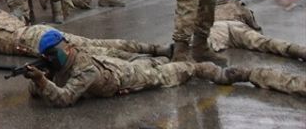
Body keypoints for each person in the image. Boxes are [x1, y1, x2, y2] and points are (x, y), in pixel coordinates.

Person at [22, 30, 222, 107]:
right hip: (109, 66)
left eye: (51, 54)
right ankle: (160, 58)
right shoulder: (62, 63)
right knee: (151, 62)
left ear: (65, 48)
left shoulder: (84, 69)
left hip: (124, 77)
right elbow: (39, 92)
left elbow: (64, 99)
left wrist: (41, 81)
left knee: (164, 74)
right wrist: (39, 78)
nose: (50, 59)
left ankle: (203, 68)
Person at [0, 5, 167, 58]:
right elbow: (20, 15)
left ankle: (141, 59)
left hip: (31, 42)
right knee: (94, 43)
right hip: (39, 30)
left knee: (91, 54)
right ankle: (154, 49)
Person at [208, 0, 306, 61]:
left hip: (217, 27)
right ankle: (299, 51)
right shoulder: (238, 5)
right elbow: (254, 26)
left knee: (206, 46)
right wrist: (258, 36)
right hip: (238, 27)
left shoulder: (212, 8)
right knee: (266, 43)